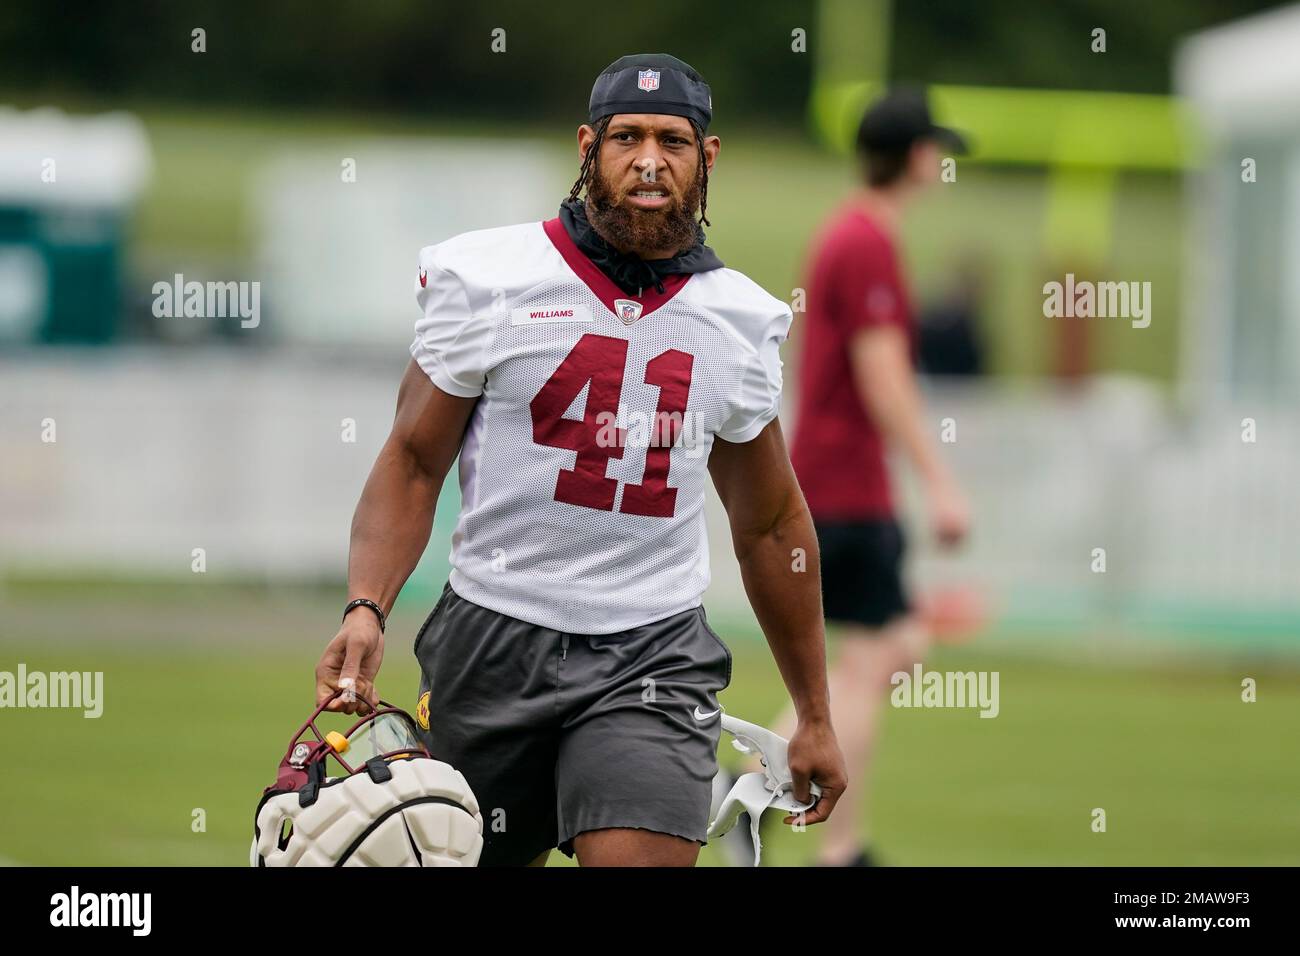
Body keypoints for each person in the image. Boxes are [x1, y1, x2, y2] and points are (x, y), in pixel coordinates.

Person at [313, 53, 846, 867]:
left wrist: (813, 712)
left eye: (672, 140)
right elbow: (414, 462)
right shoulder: (491, 278)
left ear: (707, 159)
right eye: (626, 137)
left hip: (652, 654)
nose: (648, 160)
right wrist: (365, 608)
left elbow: (771, 525)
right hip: (493, 636)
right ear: (587, 148)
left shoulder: (738, 319)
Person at [782, 88, 972, 866]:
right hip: (846, 485)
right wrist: (941, 482)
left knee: (885, 650)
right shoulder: (867, 240)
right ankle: (842, 849)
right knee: (875, 657)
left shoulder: (848, 232)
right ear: (917, 156)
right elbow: (882, 371)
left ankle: (751, 778)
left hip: (829, 480)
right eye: (936, 147)